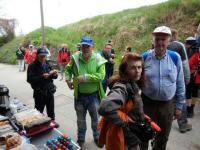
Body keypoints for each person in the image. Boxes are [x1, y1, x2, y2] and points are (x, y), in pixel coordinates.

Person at [141, 26, 185, 150]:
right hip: (147, 103)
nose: (160, 42)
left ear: (169, 41)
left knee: (163, 136)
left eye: (163, 39)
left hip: (167, 104)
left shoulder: (175, 57)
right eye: (157, 39)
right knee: (143, 133)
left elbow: (180, 83)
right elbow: (136, 79)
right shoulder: (144, 57)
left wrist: (179, 106)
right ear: (153, 41)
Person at [65, 36, 106, 148]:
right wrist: (68, 79)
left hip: (94, 96)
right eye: (83, 46)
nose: (85, 48)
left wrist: (85, 78)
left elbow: (101, 76)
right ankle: (81, 138)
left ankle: (97, 137)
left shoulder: (98, 58)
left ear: (92, 47)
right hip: (79, 96)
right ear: (80, 46)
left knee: (96, 120)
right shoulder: (75, 58)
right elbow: (68, 69)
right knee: (80, 120)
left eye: (88, 46)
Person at [98, 53, 145, 150]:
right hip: (123, 138)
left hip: (131, 136)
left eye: (139, 67)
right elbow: (104, 108)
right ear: (125, 70)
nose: (137, 71)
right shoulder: (122, 87)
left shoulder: (133, 83)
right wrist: (126, 120)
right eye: (133, 68)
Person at [168, 29, 192, 133]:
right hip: (177, 77)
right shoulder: (179, 45)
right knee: (180, 99)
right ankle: (183, 125)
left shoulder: (162, 44)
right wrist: (187, 78)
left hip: (166, 78)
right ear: (174, 36)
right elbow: (184, 63)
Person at [27, 47, 58, 125]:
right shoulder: (32, 66)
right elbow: (29, 79)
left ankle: (52, 124)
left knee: (51, 111)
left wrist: (55, 75)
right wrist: (42, 76)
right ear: (37, 56)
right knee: (38, 112)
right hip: (39, 92)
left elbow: (52, 76)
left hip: (49, 91)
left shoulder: (47, 63)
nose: (43, 58)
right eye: (41, 56)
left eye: (44, 56)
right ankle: (38, 126)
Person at [185, 37, 200, 118]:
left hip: (192, 76)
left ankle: (189, 110)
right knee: (195, 93)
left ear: (189, 44)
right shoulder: (199, 50)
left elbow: (188, 64)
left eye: (186, 44)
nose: (185, 45)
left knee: (188, 93)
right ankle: (192, 109)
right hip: (199, 77)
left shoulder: (192, 51)